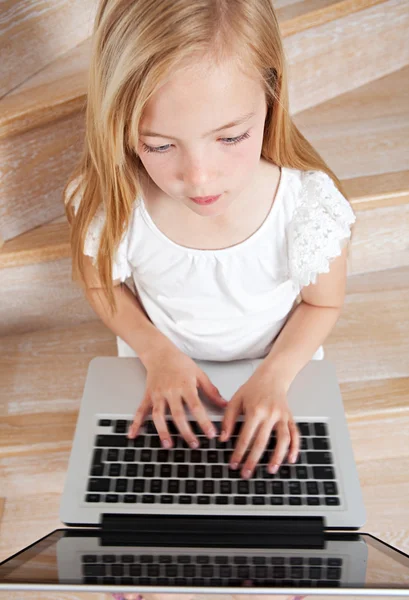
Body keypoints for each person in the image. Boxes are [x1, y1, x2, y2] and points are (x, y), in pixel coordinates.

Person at [64, 1, 356, 599]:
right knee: (144, 526)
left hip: (277, 374)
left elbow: (321, 305)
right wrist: (156, 352)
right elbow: (102, 284)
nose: (200, 178)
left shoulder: (304, 207)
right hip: (163, 374)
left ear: (271, 96)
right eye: (160, 145)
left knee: (281, 527)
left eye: (230, 137)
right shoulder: (117, 201)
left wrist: (275, 377)